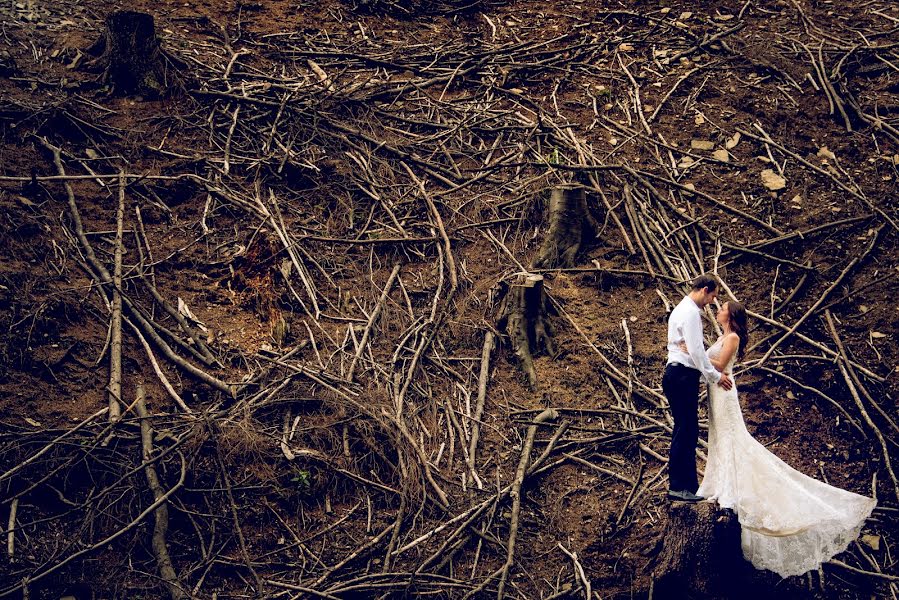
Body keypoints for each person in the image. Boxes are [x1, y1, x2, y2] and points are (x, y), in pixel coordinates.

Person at [696, 300, 877, 577]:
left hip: (724, 394)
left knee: (734, 439)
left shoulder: (731, 337)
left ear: (730, 315)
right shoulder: (723, 335)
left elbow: (720, 364)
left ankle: (730, 488)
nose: (718, 310)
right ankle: (721, 482)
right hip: (715, 393)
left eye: (722, 308)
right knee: (720, 439)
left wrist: (695, 352)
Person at [663, 274, 732, 502]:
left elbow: (692, 351)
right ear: (704, 289)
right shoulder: (691, 312)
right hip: (681, 376)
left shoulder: (683, 309)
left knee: (688, 429)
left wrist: (699, 362)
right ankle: (678, 486)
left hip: (681, 374)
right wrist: (714, 376)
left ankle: (688, 487)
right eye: (713, 296)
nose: (712, 301)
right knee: (686, 430)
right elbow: (695, 351)